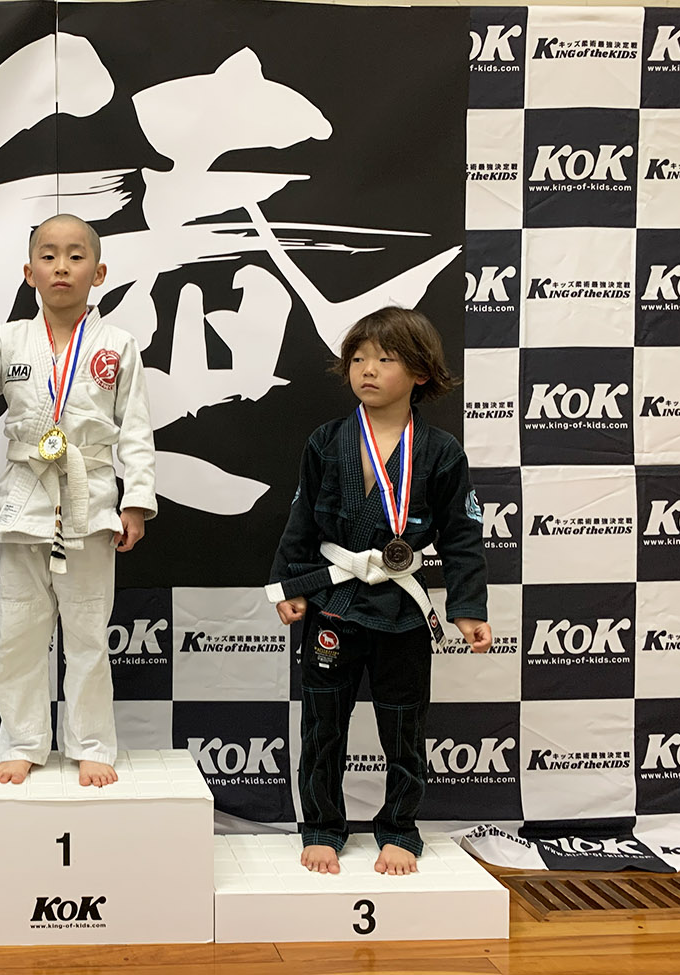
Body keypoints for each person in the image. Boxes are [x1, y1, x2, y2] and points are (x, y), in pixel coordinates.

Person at [266, 305, 491, 877]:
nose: (367, 369)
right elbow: (301, 520)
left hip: (401, 605)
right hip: (334, 602)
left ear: (420, 373)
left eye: (385, 359)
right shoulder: (326, 441)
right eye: (359, 358)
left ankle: (399, 828)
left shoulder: (441, 451)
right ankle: (322, 826)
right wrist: (291, 584)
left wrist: (467, 607)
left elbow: (462, 534)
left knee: (404, 725)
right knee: (322, 723)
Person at [0, 214, 157, 788]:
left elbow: (135, 430)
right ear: (29, 272)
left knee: (87, 633)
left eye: (76, 256)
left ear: (98, 272)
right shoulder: (9, 338)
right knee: (19, 632)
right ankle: (22, 741)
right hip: (24, 500)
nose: (62, 266)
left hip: (90, 499)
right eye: (49, 256)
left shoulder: (118, 344)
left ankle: (91, 742)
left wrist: (136, 501)